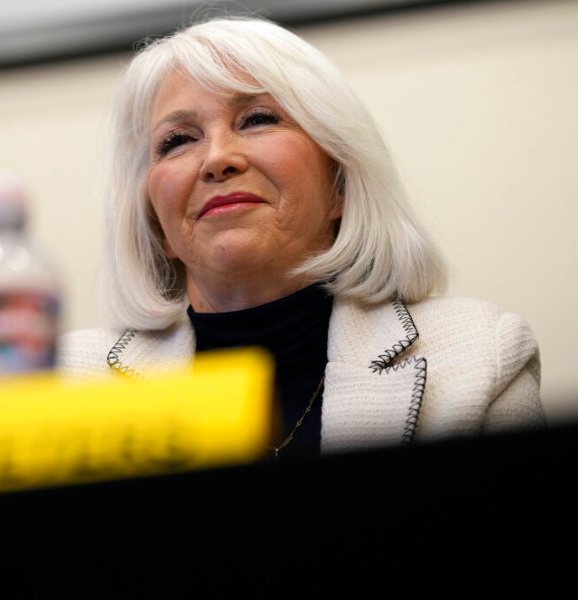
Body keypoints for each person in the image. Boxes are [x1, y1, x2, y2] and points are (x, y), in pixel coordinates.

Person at [56, 16, 546, 459]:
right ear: (156, 224)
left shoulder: (481, 358)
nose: (216, 158)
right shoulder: (66, 387)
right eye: (178, 140)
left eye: (257, 119)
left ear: (340, 187)